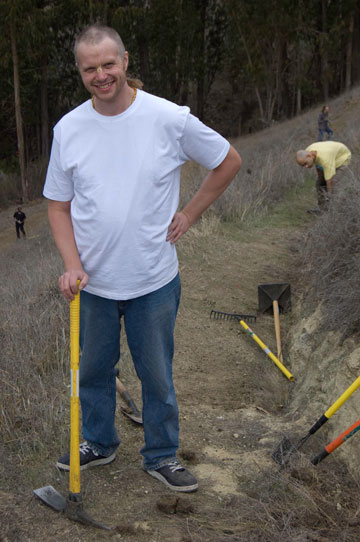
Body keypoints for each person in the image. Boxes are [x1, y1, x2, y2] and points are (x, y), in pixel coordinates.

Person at [43, 24, 242, 493]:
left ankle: (161, 454)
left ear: (126, 61)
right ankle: (98, 441)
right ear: (81, 72)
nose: (101, 75)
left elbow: (227, 160)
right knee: (93, 371)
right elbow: (57, 205)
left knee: (156, 374)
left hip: (153, 279)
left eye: (108, 64)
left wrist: (190, 213)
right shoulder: (68, 129)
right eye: (90, 68)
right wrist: (71, 264)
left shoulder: (168, 118)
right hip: (92, 285)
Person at [296, 141, 351, 210]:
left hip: (342, 157)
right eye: (303, 165)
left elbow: (329, 180)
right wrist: (321, 177)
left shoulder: (325, 159)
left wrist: (329, 195)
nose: (306, 166)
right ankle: (322, 208)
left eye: (306, 163)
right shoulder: (308, 152)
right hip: (329, 155)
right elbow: (317, 163)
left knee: (334, 184)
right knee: (319, 183)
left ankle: (336, 209)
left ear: (309, 156)